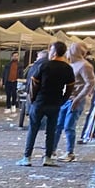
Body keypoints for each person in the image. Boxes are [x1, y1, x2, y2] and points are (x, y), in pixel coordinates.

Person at [18, 40, 74, 168]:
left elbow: (34, 83)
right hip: (55, 103)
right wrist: (63, 100)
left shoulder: (44, 66)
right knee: (51, 130)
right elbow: (70, 87)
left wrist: (32, 99)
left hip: (40, 101)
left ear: (54, 52)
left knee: (33, 129)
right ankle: (48, 157)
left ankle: (27, 157)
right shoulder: (67, 68)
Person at [51, 43, 95, 161]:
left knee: (69, 126)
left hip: (76, 100)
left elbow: (90, 83)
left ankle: (70, 152)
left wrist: (78, 98)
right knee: (58, 125)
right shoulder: (70, 64)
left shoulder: (85, 66)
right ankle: (52, 150)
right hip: (66, 99)